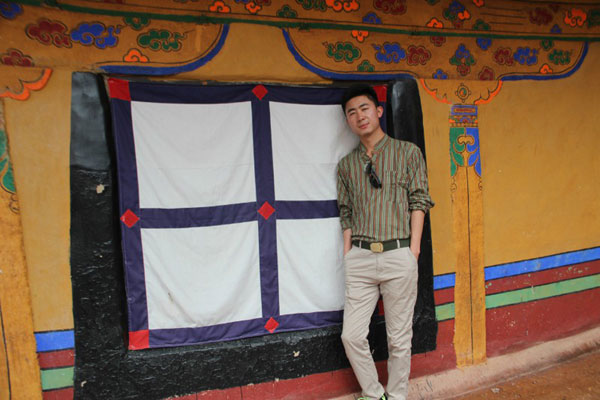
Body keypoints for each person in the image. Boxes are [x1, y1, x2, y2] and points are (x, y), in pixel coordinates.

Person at [336, 84, 434, 400]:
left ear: (378, 111)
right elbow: (346, 213)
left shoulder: (408, 153)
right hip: (360, 259)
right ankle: (374, 392)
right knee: (351, 336)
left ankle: (397, 396)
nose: (359, 116)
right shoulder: (346, 165)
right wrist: (349, 253)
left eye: (364, 108)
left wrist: (413, 250)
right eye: (352, 112)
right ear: (348, 121)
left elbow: (419, 201)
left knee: (399, 339)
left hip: (398, 254)